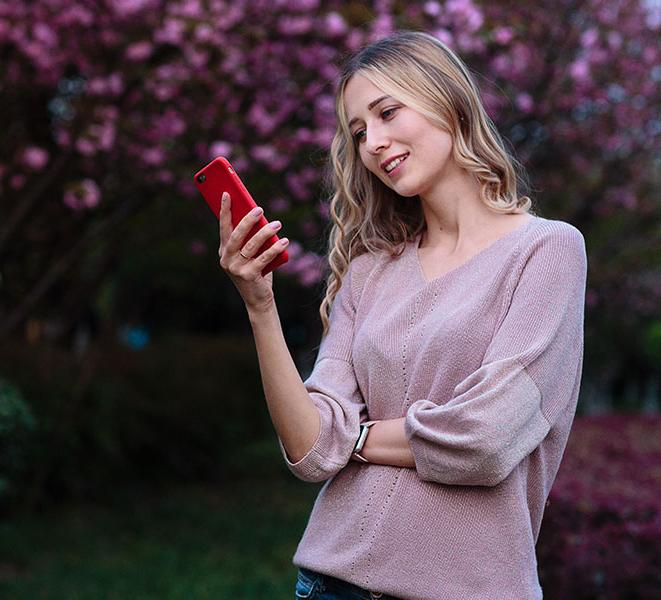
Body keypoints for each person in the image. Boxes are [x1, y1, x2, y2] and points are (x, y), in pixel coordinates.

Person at [216, 31, 586, 600]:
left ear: (449, 101)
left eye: (387, 113)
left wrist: (354, 437)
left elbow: (485, 439)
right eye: (359, 131)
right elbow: (311, 449)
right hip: (329, 582)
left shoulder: (547, 250)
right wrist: (260, 306)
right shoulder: (370, 270)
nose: (373, 143)